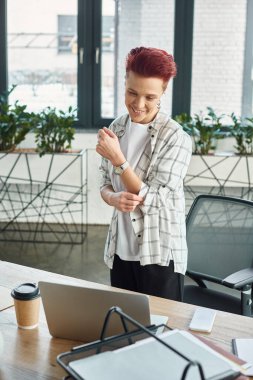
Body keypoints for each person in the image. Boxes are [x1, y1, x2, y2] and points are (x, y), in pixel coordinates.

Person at [96, 47, 192, 301]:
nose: (138, 105)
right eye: (131, 93)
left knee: (162, 335)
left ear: (163, 92)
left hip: (159, 256)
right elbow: (104, 182)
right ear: (125, 82)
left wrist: (119, 159)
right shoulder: (117, 127)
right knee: (122, 330)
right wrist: (112, 198)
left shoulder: (175, 138)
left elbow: (157, 201)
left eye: (149, 97)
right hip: (120, 250)